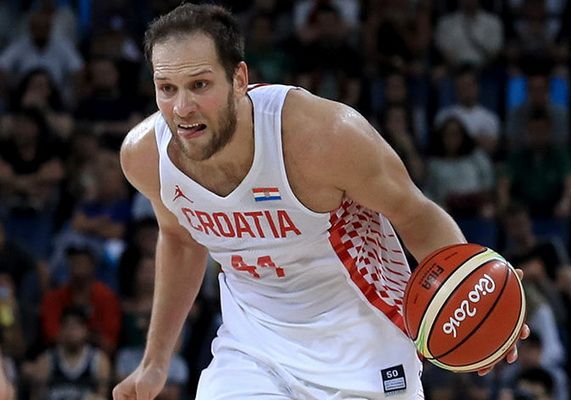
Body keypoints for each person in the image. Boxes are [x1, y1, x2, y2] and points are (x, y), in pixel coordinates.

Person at [112, 4, 529, 399]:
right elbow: (181, 240)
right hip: (254, 348)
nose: (182, 108)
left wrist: (476, 301)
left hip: (364, 347)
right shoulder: (145, 157)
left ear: (239, 79)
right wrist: (155, 362)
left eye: (199, 85)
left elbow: (415, 214)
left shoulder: (322, 136)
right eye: (167, 89)